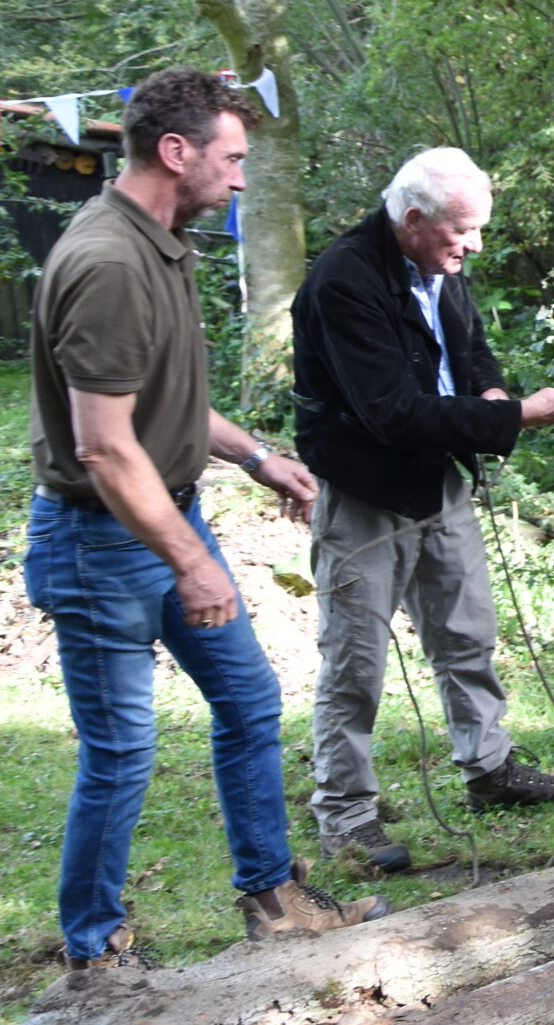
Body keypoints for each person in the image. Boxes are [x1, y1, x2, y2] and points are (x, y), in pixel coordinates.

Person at [25, 68, 390, 972]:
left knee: (248, 699)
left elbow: (164, 403)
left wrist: (256, 455)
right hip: (100, 543)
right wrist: (192, 562)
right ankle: (95, 954)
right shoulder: (107, 262)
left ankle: (273, 896)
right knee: (121, 751)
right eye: (230, 158)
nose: (238, 179)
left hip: (159, 521)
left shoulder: (160, 245)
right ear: (174, 151)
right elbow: (106, 446)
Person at [290, 147, 554, 874]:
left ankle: (490, 770)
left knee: (466, 633)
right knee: (356, 660)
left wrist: (492, 392)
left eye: (478, 230)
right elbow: (393, 413)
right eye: (463, 231)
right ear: (413, 218)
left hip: (440, 484)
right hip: (366, 492)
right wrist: (517, 416)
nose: (475, 246)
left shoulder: (441, 270)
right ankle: (346, 815)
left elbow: (473, 354)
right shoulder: (344, 280)